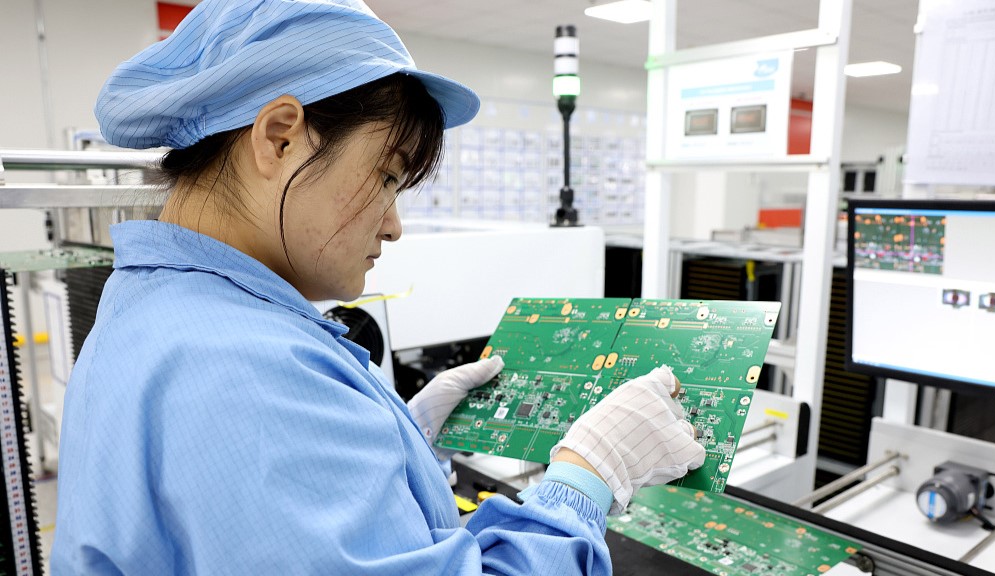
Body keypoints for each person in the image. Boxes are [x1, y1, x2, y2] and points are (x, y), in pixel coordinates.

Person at [51, 1, 706, 574]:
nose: (393, 226)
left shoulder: (160, 308)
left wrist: (402, 442)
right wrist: (588, 477)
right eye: (389, 177)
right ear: (279, 139)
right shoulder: (243, 371)